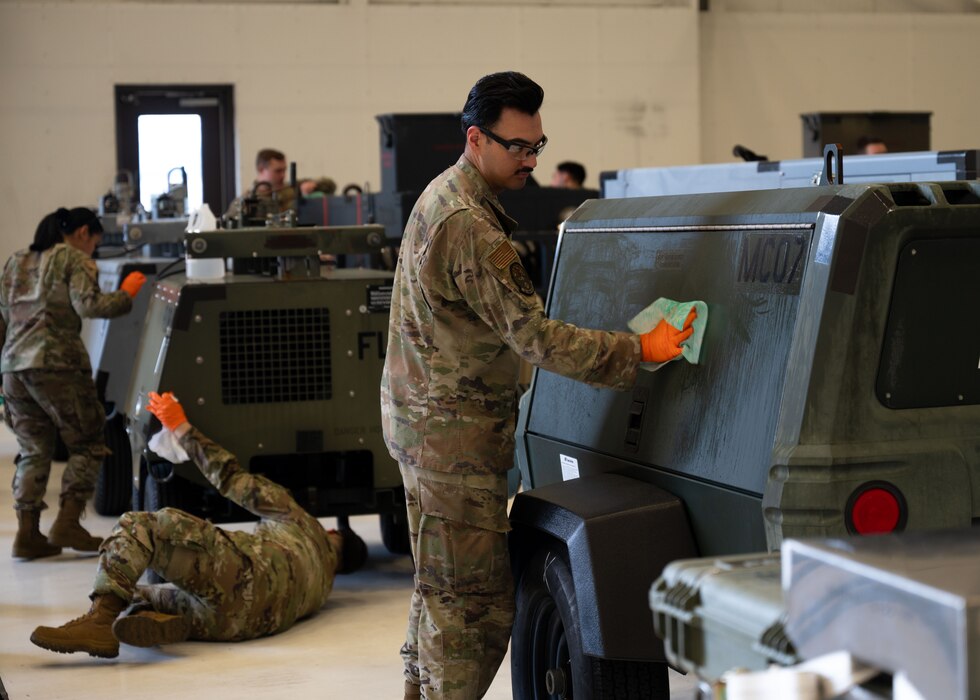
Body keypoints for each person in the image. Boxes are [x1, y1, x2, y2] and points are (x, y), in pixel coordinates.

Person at [380, 71, 696, 700]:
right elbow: (535, 338)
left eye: (538, 146)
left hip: (426, 430)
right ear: (476, 139)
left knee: (439, 594)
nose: (530, 160)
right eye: (518, 146)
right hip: (451, 442)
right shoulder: (468, 223)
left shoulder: (446, 196)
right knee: (474, 615)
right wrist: (642, 350)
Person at [29, 390, 368, 658]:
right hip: (239, 624)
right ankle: (150, 617)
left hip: (243, 575)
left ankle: (99, 623)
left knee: (139, 527)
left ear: (333, 532)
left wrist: (183, 429)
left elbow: (232, 479)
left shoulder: (303, 523)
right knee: (142, 592)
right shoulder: (322, 589)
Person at [1, 208, 146, 560]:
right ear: (83, 232)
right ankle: (67, 522)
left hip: (13, 368)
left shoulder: (15, 261)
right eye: (94, 243)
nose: (93, 252)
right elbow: (90, 305)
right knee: (89, 441)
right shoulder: (73, 258)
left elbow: (5, 314)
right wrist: (127, 294)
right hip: (57, 365)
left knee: (34, 449)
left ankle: (27, 534)